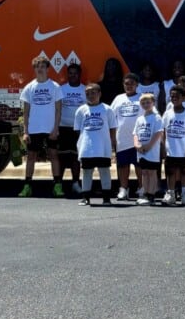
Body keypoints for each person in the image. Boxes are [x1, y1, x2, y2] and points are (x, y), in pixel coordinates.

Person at [17, 55, 63, 197]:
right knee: (31, 156)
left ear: (47, 68)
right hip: (34, 128)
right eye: (37, 67)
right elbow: (26, 111)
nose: (40, 69)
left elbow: (58, 110)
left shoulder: (54, 86)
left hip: (50, 128)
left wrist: (55, 128)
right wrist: (25, 131)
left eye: (42, 66)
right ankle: (27, 186)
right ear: (34, 69)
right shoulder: (29, 88)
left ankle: (57, 186)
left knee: (53, 155)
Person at [74, 83, 117, 206]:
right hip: (86, 148)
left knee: (104, 171)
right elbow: (78, 130)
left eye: (93, 92)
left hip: (103, 147)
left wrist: (112, 145)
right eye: (87, 93)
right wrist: (82, 144)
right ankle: (86, 198)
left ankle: (106, 199)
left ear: (99, 94)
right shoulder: (80, 110)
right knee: (87, 172)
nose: (90, 95)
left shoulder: (108, 109)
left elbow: (112, 128)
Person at [109, 73, 143, 201]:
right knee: (123, 165)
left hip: (138, 138)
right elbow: (111, 118)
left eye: (132, 84)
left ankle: (142, 188)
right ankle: (123, 189)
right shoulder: (118, 98)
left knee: (139, 165)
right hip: (121, 138)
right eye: (126, 84)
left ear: (137, 85)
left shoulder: (142, 98)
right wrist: (112, 137)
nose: (129, 86)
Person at [161, 85, 185, 206]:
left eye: (177, 96)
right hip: (171, 149)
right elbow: (164, 132)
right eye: (172, 96)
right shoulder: (167, 113)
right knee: (170, 172)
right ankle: (171, 194)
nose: (174, 98)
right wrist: (163, 148)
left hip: (184, 149)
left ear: (183, 97)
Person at [57, 62, 86, 197]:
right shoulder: (61, 89)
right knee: (62, 157)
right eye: (70, 73)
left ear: (79, 74)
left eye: (75, 73)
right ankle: (59, 184)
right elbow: (56, 109)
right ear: (67, 75)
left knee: (76, 157)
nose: (73, 75)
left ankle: (75, 183)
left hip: (78, 129)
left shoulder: (85, 90)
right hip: (63, 127)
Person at [133, 93, 164, 205]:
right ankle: (145, 193)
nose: (145, 104)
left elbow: (158, 133)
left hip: (152, 151)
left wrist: (149, 146)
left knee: (152, 172)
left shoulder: (156, 117)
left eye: (148, 102)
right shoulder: (140, 119)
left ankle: (151, 195)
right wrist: (137, 145)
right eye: (143, 103)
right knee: (144, 172)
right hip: (141, 151)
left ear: (153, 103)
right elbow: (135, 133)